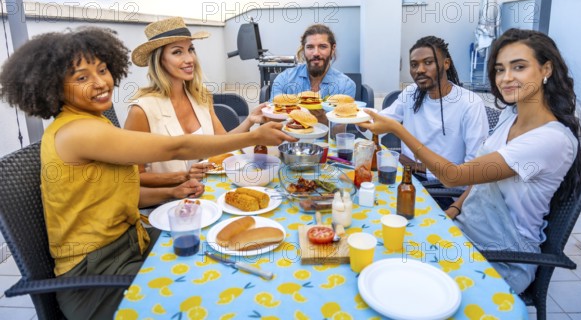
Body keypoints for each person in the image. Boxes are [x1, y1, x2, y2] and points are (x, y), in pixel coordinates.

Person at [0, 27, 295, 320]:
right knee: (212, 291)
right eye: (81, 78)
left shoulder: (95, 123)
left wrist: (173, 189)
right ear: (54, 87)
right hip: (98, 276)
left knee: (221, 253)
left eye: (103, 70)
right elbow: (175, 148)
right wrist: (250, 137)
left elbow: (119, 191)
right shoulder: (77, 132)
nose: (101, 82)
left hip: (132, 243)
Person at [360, 28, 581, 294]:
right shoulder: (509, 118)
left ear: (546, 69)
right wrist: (453, 211)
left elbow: (456, 176)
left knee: (399, 280)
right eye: (500, 70)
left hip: (503, 255)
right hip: (467, 230)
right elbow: (480, 179)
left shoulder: (548, 140)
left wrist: (399, 130)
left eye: (519, 67)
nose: (506, 78)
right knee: (382, 251)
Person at [124, 17, 267, 203]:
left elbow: (222, 142)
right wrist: (182, 177)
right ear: (159, 60)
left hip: (209, 195)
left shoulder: (201, 96)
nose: (189, 59)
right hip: (168, 204)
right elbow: (132, 177)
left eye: (191, 49)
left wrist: (249, 120)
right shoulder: (141, 110)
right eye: (177, 52)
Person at [380, 36, 488, 183]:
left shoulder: (470, 104)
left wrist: (417, 166)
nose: (420, 70)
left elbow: (473, 169)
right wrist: (351, 116)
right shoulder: (412, 92)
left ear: (446, 63)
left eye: (428, 62)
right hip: (406, 177)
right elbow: (382, 120)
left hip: (444, 186)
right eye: (414, 64)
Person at [270, 24, 356, 124]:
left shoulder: (345, 85)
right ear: (303, 50)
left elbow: (339, 133)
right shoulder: (284, 79)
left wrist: (321, 117)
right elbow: (270, 120)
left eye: (323, 46)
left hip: (326, 139)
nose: (316, 53)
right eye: (310, 47)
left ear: (333, 49)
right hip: (289, 138)